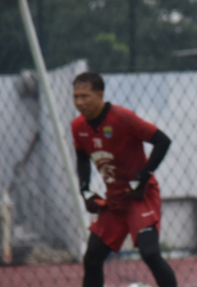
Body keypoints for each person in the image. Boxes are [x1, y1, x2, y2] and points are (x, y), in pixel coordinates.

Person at [71, 72, 177, 287]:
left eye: (85, 96)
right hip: (115, 200)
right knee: (92, 257)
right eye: (75, 97)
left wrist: (143, 176)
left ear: (100, 95)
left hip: (140, 196)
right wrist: (85, 190)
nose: (79, 102)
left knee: (150, 253)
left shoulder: (122, 118)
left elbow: (162, 141)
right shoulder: (78, 126)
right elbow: (82, 159)